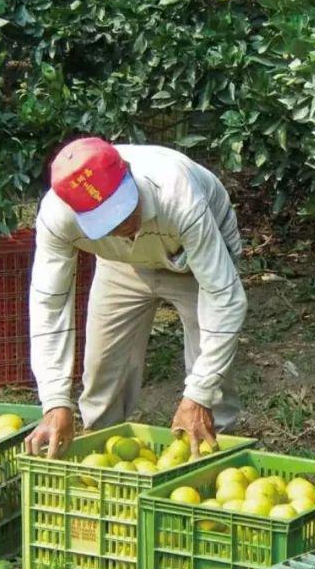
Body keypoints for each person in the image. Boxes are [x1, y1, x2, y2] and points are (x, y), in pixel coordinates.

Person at [23, 137, 246, 460]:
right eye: (105, 221)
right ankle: (102, 452)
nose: (121, 225)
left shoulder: (177, 194)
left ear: (128, 173)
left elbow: (224, 297)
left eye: (123, 210)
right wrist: (55, 400)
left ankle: (216, 453)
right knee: (102, 369)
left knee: (212, 378)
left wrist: (198, 393)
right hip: (121, 262)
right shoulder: (57, 215)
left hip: (190, 258)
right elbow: (49, 304)